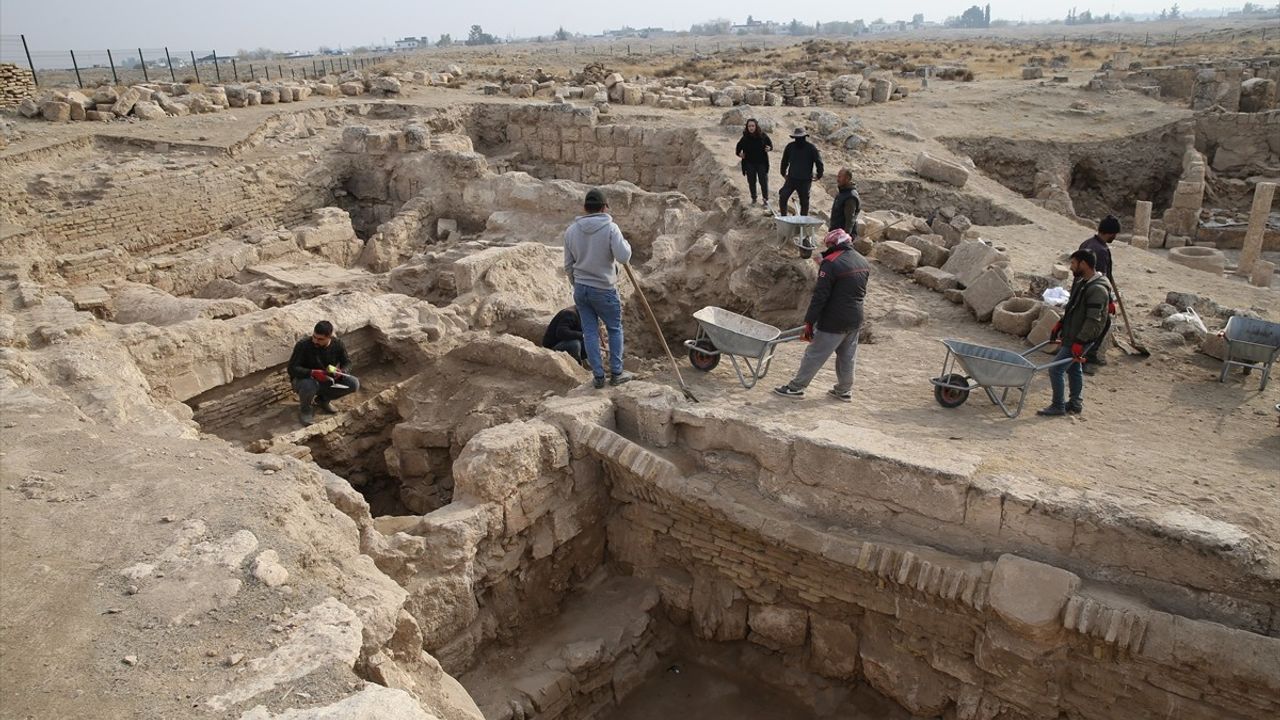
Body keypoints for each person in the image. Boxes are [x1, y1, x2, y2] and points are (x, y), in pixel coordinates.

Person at [774, 229, 871, 401]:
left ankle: (796, 388)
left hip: (834, 320)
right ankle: (844, 390)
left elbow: (820, 296)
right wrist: (825, 265)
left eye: (828, 246)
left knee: (814, 354)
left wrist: (809, 322)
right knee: (847, 357)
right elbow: (847, 283)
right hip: (855, 318)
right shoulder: (862, 261)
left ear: (834, 245)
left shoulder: (831, 263)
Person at [563, 188, 636, 389]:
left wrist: (576, 284)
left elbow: (568, 265)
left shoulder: (571, 231)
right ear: (604, 208)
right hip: (604, 288)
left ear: (585, 208)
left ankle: (598, 376)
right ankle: (617, 373)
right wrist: (626, 244)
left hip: (582, 289)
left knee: (590, 332)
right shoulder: (611, 228)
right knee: (614, 329)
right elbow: (623, 257)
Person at [1038, 249, 1112, 417]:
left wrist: (1080, 341)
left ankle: (1058, 405)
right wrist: (1061, 323)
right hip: (1073, 334)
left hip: (1081, 337)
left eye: (1073, 263)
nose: (1071, 267)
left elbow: (1093, 320)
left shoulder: (1097, 289)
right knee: (1073, 368)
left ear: (1083, 264)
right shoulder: (1082, 283)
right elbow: (1073, 309)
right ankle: (1075, 403)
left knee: (1056, 370)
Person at [287, 320, 361, 426]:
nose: (315, 341)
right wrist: (312, 373)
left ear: (329, 337)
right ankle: (305, 409)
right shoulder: (303, 345)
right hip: (304, 380)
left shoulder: (337, 344)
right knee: (309, 385)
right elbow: (292, 369)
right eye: (314, 337)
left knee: (354, 384)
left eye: (320, 339)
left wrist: (342, 371)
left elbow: (347, 362)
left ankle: (323, 400)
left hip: (328, 378)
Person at [1078, 215, 1119, 373]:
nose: (1115, 237)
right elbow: (1100, 279)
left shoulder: (1087, 243)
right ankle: (1084, 358)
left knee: (1090, 324)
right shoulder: (1100, 251)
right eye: (1115, 234)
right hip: (1094, 294)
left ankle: (1088, 355)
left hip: (1081, 291)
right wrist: (1108, 301)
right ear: (1111, 233)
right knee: (1095, 325)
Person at [779, 127, 824, 217]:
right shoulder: (790, 147)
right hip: (791, 179)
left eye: (801, 137)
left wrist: (819, 175)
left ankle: (803, 222)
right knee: (783, 197)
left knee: (804, 202)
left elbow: (819, 162)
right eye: (797, 138)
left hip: (805, 180)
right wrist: (783, 173)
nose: (799, 140)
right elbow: (784, 161)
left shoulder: (811, 148)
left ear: (805, 137)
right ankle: (783, 217)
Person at [735, 118, 773, 206]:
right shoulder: (745, 138)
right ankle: (754, 199)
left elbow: (770, 145)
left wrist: (769, 148)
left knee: (763, 182)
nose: (751, 128)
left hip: (761, 163)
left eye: (753, 126)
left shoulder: (763, 136)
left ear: (756, 126)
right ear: (747, 127)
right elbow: (738, 149)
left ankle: (765, 200)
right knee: (751, 181)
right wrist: (739, 154)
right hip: (749, 163)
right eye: (749, 126)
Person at [828, 168, 861, 235]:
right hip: (836, 233)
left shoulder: (851, 197)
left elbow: (849, 220)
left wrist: (845, 237)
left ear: (847, 179)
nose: (838, 179)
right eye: (838, 177)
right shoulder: (843, 193)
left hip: (842, 236)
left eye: (840, 177)